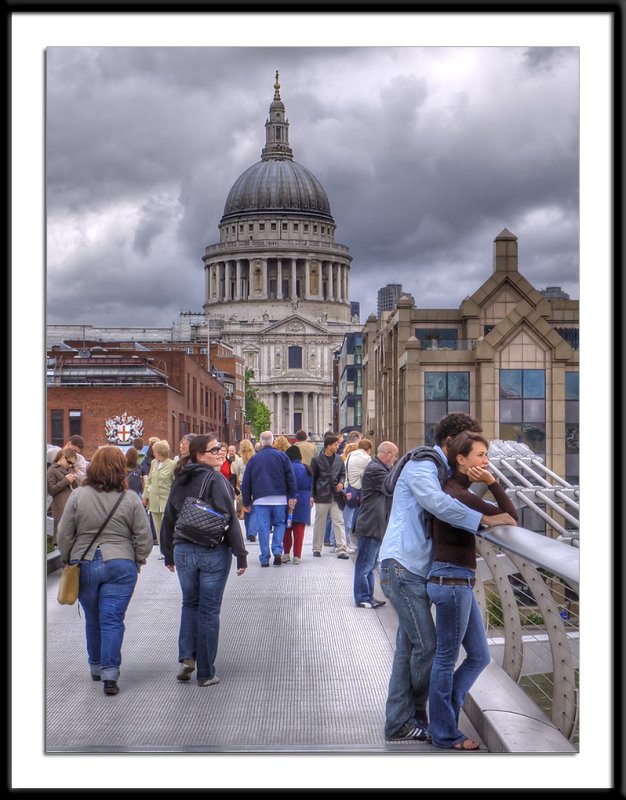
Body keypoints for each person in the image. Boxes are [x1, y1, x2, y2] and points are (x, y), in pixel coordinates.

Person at [378, 412, 517, 742]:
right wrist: (485, 521)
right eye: (470, 444)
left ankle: (402, 720)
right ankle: (417, 718)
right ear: (451, 443)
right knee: (428, 647)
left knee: (410, 647)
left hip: (414, 566)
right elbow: (438, 503)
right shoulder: (424, 466)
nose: (476, 452)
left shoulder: (441, 470)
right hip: (404, 564)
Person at [427, 432, 518, 750]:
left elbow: (503, 518)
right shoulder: (458, 494)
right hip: (451, 583)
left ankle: (446, 715)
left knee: (479, 656)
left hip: (456, 582)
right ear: (461, 459)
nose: (485, 461)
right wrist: (493, 482)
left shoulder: (457, 490)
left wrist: (490, 489)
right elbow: (511, 517)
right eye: (480, 455)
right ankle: (443, 731)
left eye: (486, 455)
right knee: (446, 658)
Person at [57, 446, 153, 695]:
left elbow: (64, 533)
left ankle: (96, 666)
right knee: (112, 619)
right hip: (121, 562)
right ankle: (111, 673)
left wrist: (68, 559)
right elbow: (144, 535)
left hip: (85, 561)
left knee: (93, 618)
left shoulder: (78, 496)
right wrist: (138, 559)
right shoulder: (130, 498)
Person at [160, 434, 247, 686]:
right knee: (209, 610)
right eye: (214, 449)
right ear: (200, 455)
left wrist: (168, 552)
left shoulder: (181, 477)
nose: (220, 452)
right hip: (212, 551)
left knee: (190, 604)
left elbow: (169, 517)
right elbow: (229, 519)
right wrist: (240, 554)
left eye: (220, 448)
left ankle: (187, 656)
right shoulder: (216, 479)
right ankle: (206, 672)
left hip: (184, 550)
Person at [352, 441, 399, 608]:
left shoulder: (380, 468)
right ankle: (362, 597)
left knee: (370, 565)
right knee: (365, 565)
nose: (395, 459)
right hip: (370, 524)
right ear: (387, 454)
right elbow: (390, 487)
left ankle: (368, 596)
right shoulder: (376, 469)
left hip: (375, 524)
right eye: (394, 455)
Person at [241, 431, 297, 567]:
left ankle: (265, 558)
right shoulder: (282, 457)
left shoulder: (254, 459)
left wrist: (246, 501)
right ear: (273, 442)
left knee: (263, 527)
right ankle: (278, 551)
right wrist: (292, 496)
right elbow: (291, 477)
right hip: (280, 498)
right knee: (279, 524)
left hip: (260, 499)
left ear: (260, 442)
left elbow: (246, 481)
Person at [310, 432, 350, 559]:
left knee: (338, 521)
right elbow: (312, 478)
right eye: (335, 444)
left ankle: (341, 549)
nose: (338, 446)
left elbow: (343, 474)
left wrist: (341, 483)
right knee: (319, 522)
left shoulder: (339, 459)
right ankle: (316, 548)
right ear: (328, 446)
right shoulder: (316, 460)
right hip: (321, 494)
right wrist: (311, 495)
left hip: (335, 495)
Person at [142, 440, 176, 552]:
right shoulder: (153, 463)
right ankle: (162, 550)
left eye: (155, 451)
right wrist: (145, 496)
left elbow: (175, 483)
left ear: (160, 452)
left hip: (167, 501)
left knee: (167, 527)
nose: (153, 453)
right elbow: (150, 481)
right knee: (158, 527)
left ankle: (169, 549)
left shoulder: (172, 464)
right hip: (154, 501)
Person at [282, 446, 313, 564]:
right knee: (299, 529)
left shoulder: (286, 468)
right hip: (303, 501)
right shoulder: (307, 468)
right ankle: (297, 556)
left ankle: (286, 553)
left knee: (287, 528)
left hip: (288, 499)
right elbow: (311, 485)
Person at [343, 438, 373, 547]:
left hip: (347, 487)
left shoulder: (351, 455)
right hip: (355, 490)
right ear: (368, 449)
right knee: (348, 519)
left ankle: (337, 543)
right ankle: (345, 543)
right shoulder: (366, 458)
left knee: (343, 518)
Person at [47, 447, 79, 545]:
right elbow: (51, 490)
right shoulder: (52, 469)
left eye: (72, 464)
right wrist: (66, 480)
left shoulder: (69, 469)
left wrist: (74, 479)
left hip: (71, 504)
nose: (70, 465)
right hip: (60, 506)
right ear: (62, 457)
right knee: (61, 535)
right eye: (69, 462)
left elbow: (76, 488)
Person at [237, 439, 258, 541]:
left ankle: (248, 532)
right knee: (254, 509)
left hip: (242, 485)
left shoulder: (239, 460)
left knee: (246, 508)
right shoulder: (255, 459)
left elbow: (236, 473)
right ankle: (252, 532)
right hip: (254, 484)